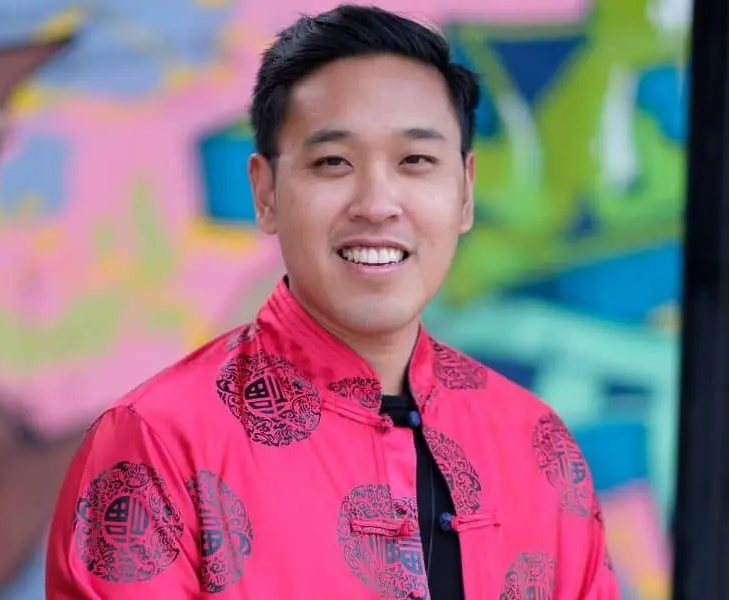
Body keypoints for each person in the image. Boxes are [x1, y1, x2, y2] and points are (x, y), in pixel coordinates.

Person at [45, 4, 620, 599]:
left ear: (465, 192)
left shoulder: (534, 442)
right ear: (266, 193)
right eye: (333, 162)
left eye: (416, 161)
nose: (377, 203)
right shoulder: (158, 442)